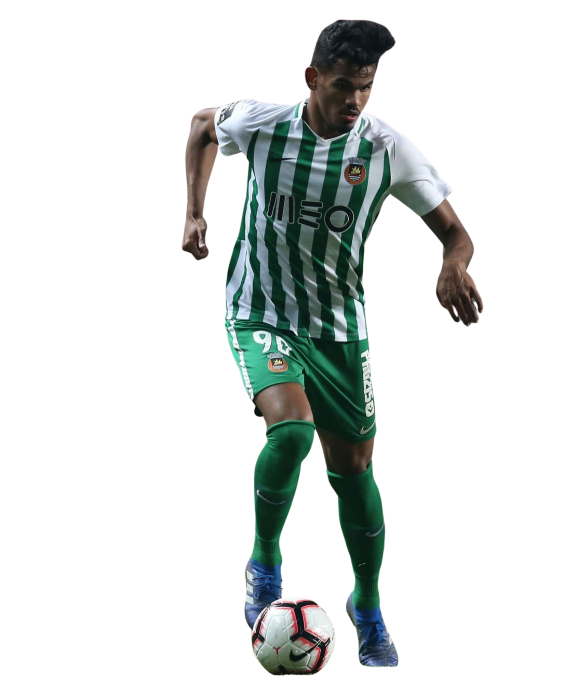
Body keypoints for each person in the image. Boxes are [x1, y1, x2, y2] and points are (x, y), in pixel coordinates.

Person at [183, 18, 483, 669]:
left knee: (353, 471)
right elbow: (203, 125)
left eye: (366, 87)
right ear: (312, 78)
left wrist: (452, 263)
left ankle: (366, 606)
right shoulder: (264, 124)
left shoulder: (384, 147)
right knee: (291, 432)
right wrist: (195, 212)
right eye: (344, 85)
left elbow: (455, 231)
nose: (355, 100)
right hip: (260, 312)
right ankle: (264, 563)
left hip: (341, 331)